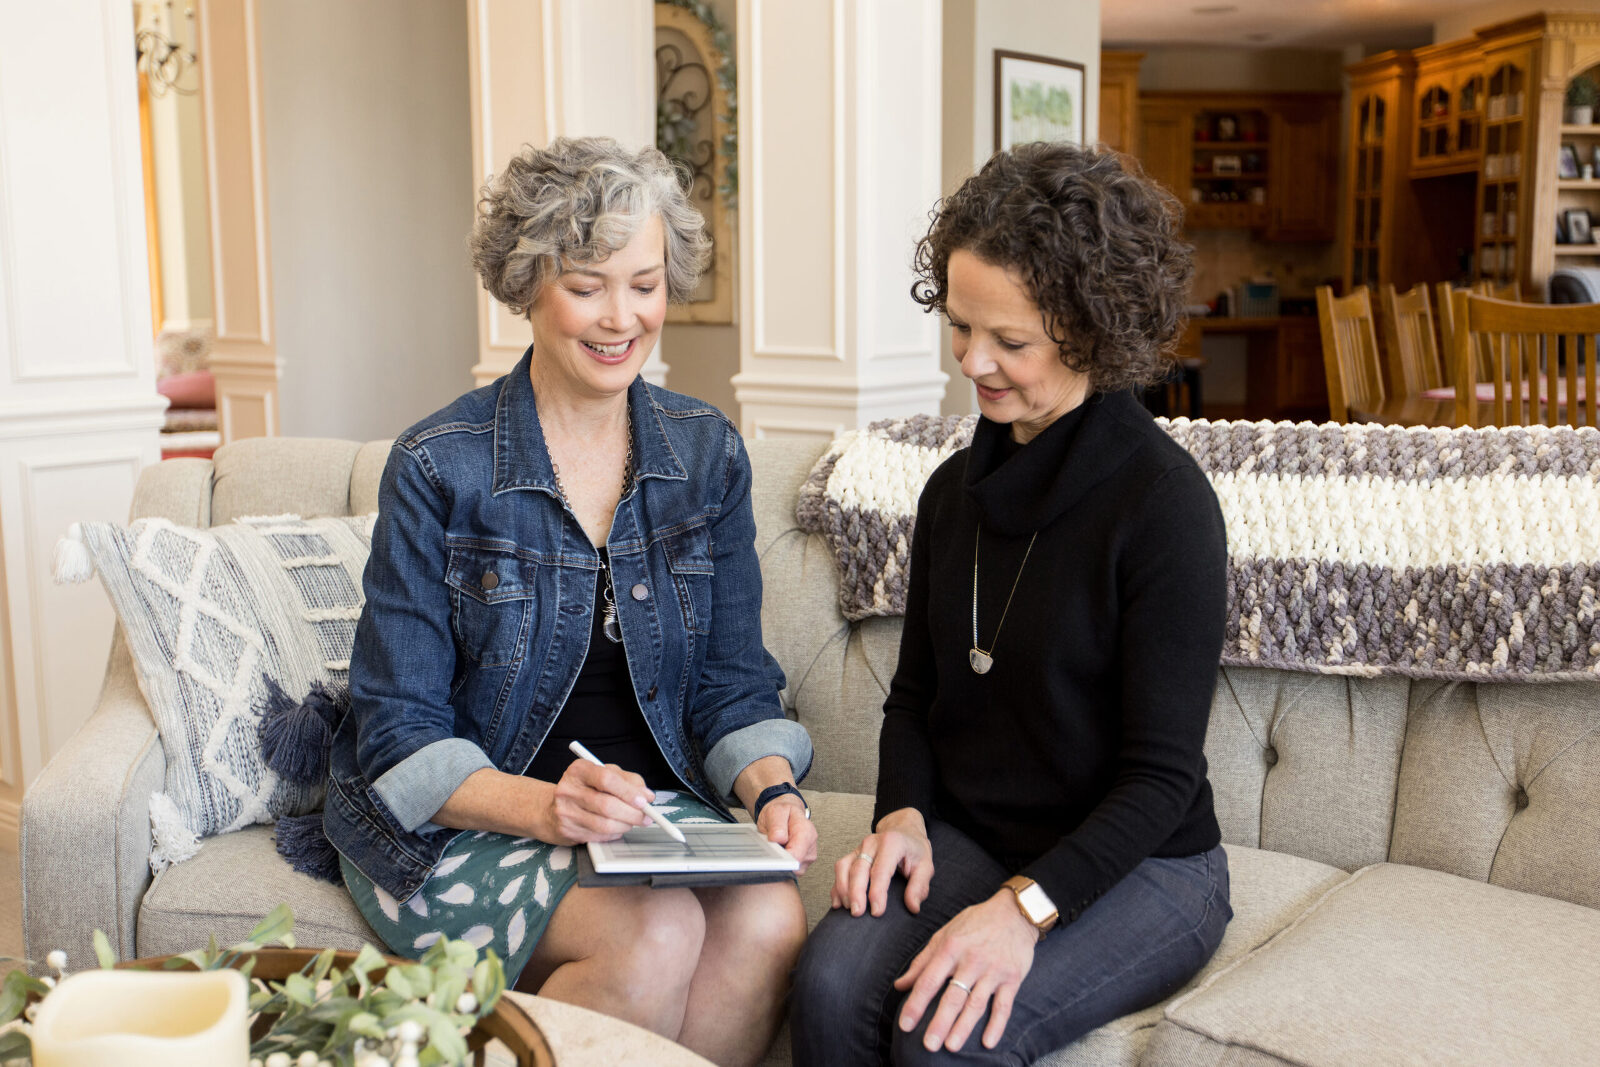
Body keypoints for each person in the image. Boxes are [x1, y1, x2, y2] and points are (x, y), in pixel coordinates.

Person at [323, 137, 816, 1067]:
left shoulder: (708, 454)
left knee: (770, 913)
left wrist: (771, 787)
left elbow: (731, 682)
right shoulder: (440, 465)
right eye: (587, 285)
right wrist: (551, 809)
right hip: (468, 813)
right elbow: (401, 735)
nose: (621, 317)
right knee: (655, 931)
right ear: (527, 283)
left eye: (646, 283)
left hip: (650, 811)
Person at [790, 142, 1232, 1065]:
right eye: (960, 327)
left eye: (1010, 341)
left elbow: (1157, 782)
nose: (972, 362)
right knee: (827, 985)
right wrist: (902, 817)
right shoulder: (953, 491)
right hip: (979, 836)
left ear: (1092, 331)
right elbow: (914, 698)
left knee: (942, 1042)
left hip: (1150, 868)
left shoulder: (1165, 506)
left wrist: (1022, 910)